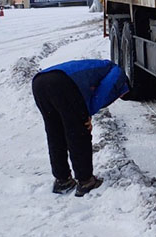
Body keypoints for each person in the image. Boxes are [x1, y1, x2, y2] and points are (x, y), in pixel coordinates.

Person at [32, 59, 129, 196]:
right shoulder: (117, 73)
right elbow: (100, 96)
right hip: (61, 83)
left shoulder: (100, 68)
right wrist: (86, 116)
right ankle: (86, 181)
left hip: (39, 83)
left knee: (55, 132)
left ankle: (62, 180)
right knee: (78, 132)